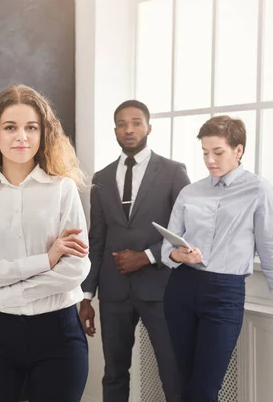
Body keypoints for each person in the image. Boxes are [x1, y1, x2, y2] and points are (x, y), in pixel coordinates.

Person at [0, 85, 91, 402]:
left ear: (43, 134)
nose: (21, 137)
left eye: (31, 127)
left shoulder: (62, 191)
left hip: (58, 334)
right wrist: (45, 260)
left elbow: (75, 269)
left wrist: (6, 294)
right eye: (10, 127)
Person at [79, 100, 189, 402]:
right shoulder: (101, 179)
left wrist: (146, 256)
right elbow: (96, 238)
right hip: (113, 293)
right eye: (122, 124)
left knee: (172, 371)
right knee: (114, 373)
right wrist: (86, 296)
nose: (129, 129)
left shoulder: (172, 172)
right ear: (115, 130)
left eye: (136, 122)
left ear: (149, 127)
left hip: (162, 289)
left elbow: (188, 231)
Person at [162, 115, 273, 402]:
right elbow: (166, 248)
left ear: (238, 150)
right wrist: (178, 253)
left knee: (205, 388)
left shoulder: (258, 191)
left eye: (218, 152)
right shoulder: (190, 192)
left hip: (225, 294)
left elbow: (269, 250)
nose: (210, 160)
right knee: (185, 383)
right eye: (205, 153)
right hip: (181, 290)